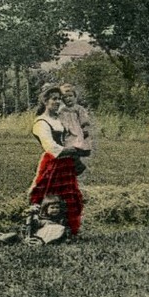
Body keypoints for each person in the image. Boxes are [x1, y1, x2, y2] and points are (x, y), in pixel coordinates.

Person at [29, 84, 86, 239]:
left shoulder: (60, 119)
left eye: (59, 99)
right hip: (53, 163)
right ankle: (42, 229)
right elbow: (51, 147)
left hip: (66, 163)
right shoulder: (41, 122)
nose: (57, 102)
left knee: (69, 196)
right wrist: (75, 150)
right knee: (48, 195)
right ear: (45, 101)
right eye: (54, 99)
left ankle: (68, 230)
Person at [59, 83, 97, 176]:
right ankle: (70, 167)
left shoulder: (79, 109)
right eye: (65, 97)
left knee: (73, 150)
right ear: (62, 99)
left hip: (77, 134)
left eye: (70, 96)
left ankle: (78, 167)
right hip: (67, 134)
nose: (68, 99)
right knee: (66, 151)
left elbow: (84, 121)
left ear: (75, 96)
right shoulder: (61, 110)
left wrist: (85, 130)